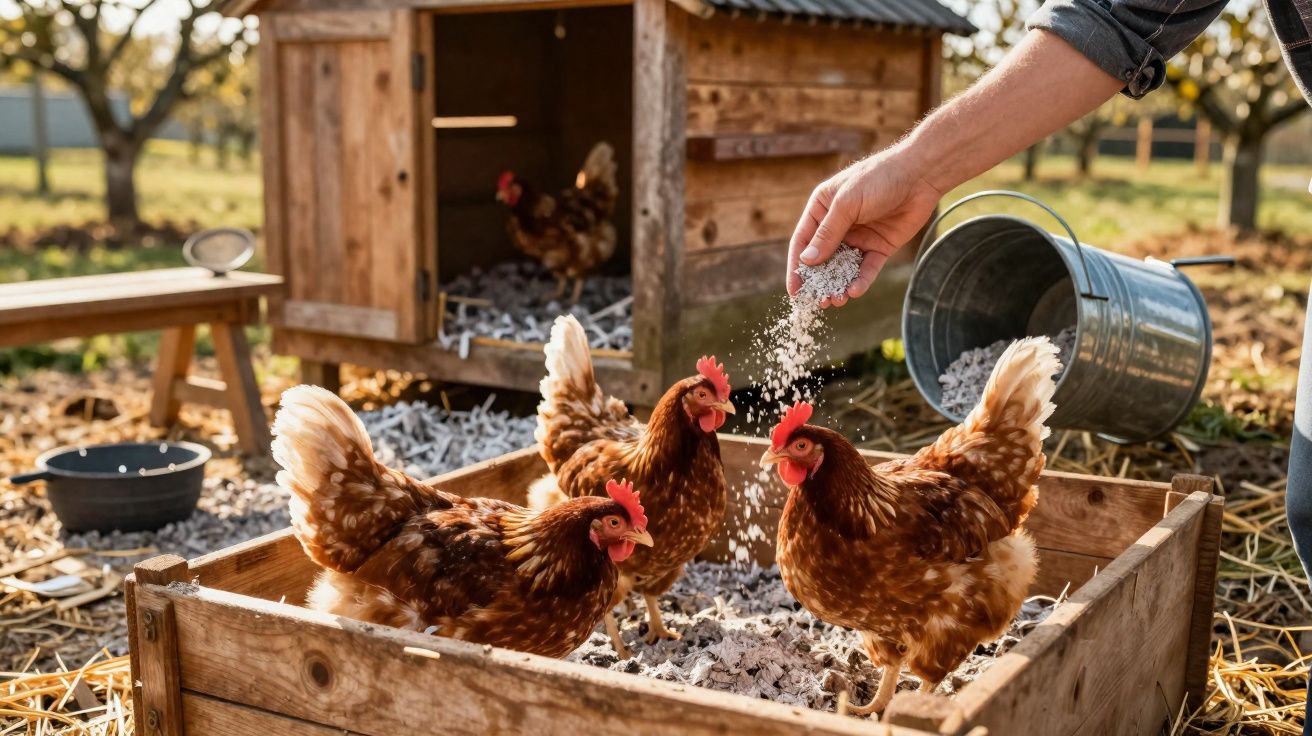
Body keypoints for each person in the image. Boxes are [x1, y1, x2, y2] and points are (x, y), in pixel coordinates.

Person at [787, 0, 1311, 726]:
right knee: (1311, 506)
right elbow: (1119, 14)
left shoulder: (883, 527)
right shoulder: (825, 533)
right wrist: (917, 167)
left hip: (956, 541)